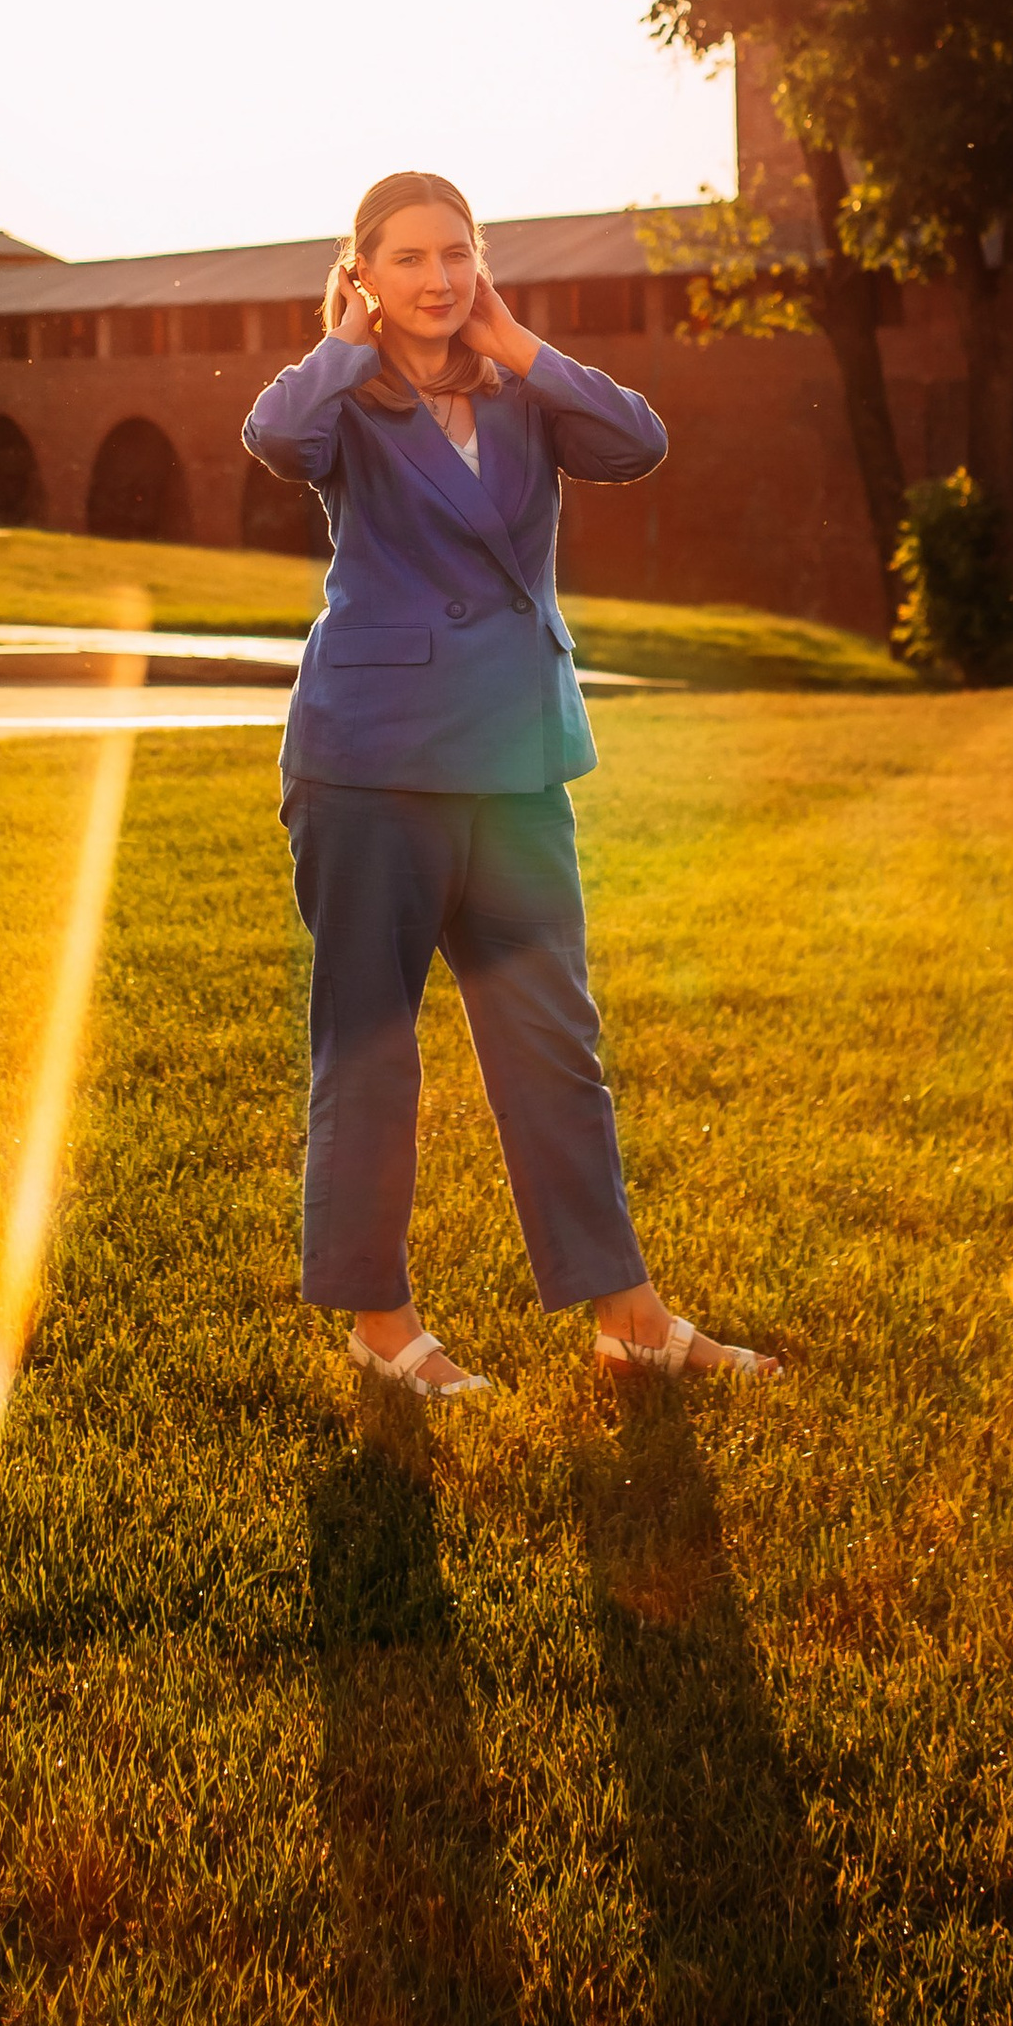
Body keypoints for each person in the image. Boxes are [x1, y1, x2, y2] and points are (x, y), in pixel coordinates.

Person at [243, 168, 781, 1396]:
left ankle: (629, 1314)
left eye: (457, 254)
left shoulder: (523, 393)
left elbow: (637, 441)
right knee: (371, 1049)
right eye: (410, 259)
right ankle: (380, 1326)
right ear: (364, 271)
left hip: (518, 759)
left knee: (555, 1044)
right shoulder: (342, 402)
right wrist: (341, 341)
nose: (437, 279)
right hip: (372, 762)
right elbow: (275, 436)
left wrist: (517, 342)